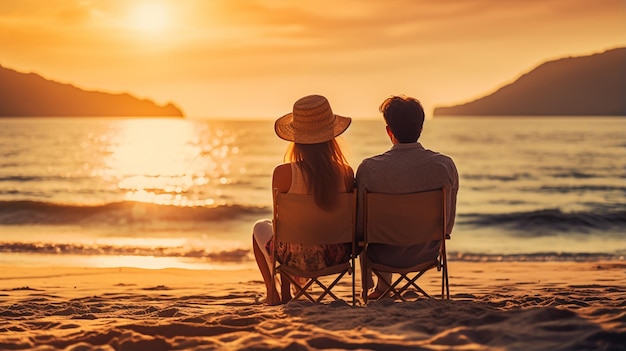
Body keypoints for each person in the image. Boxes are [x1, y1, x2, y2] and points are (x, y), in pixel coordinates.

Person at [252, 94, 355, 305]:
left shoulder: (283, 173)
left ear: (296, 138)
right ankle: (287, 290)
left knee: (260, 227)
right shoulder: (346, 172)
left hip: (293, 259)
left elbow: (280, 223)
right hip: (336, 256)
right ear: (331, 137)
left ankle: (275, 292)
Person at [356, 95, 459, 299]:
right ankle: (382, 287)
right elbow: (447, 224)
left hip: (381, 255)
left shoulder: (369, 169)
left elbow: (360, 226)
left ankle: (379, 287)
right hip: (427, 252)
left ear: (389, 131)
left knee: (371, 233)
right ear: (421, 128)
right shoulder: (444, 166)